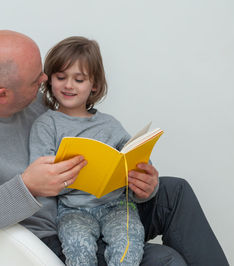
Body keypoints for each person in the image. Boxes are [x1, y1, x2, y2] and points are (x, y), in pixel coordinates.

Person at [0, 30, 229, 265]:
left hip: (99, 203)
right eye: (36, 81)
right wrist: (26, 187)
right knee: (166, 260)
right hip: (56, 233)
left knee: (174, 192)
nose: (45, 82)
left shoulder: (33, 103)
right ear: (2, 94)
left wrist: (140, 182)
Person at [29, 36, 148, 265]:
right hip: (74, 209)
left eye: (79, 79)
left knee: (129, 249)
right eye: (61, 77)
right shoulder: (46, 125)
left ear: (93, 84)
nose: (69, 85)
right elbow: (41, 174)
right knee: (78, 251)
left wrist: (142, 173)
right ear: (50, 80)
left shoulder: (110, 124)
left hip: (117, 205)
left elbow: (132, 162)